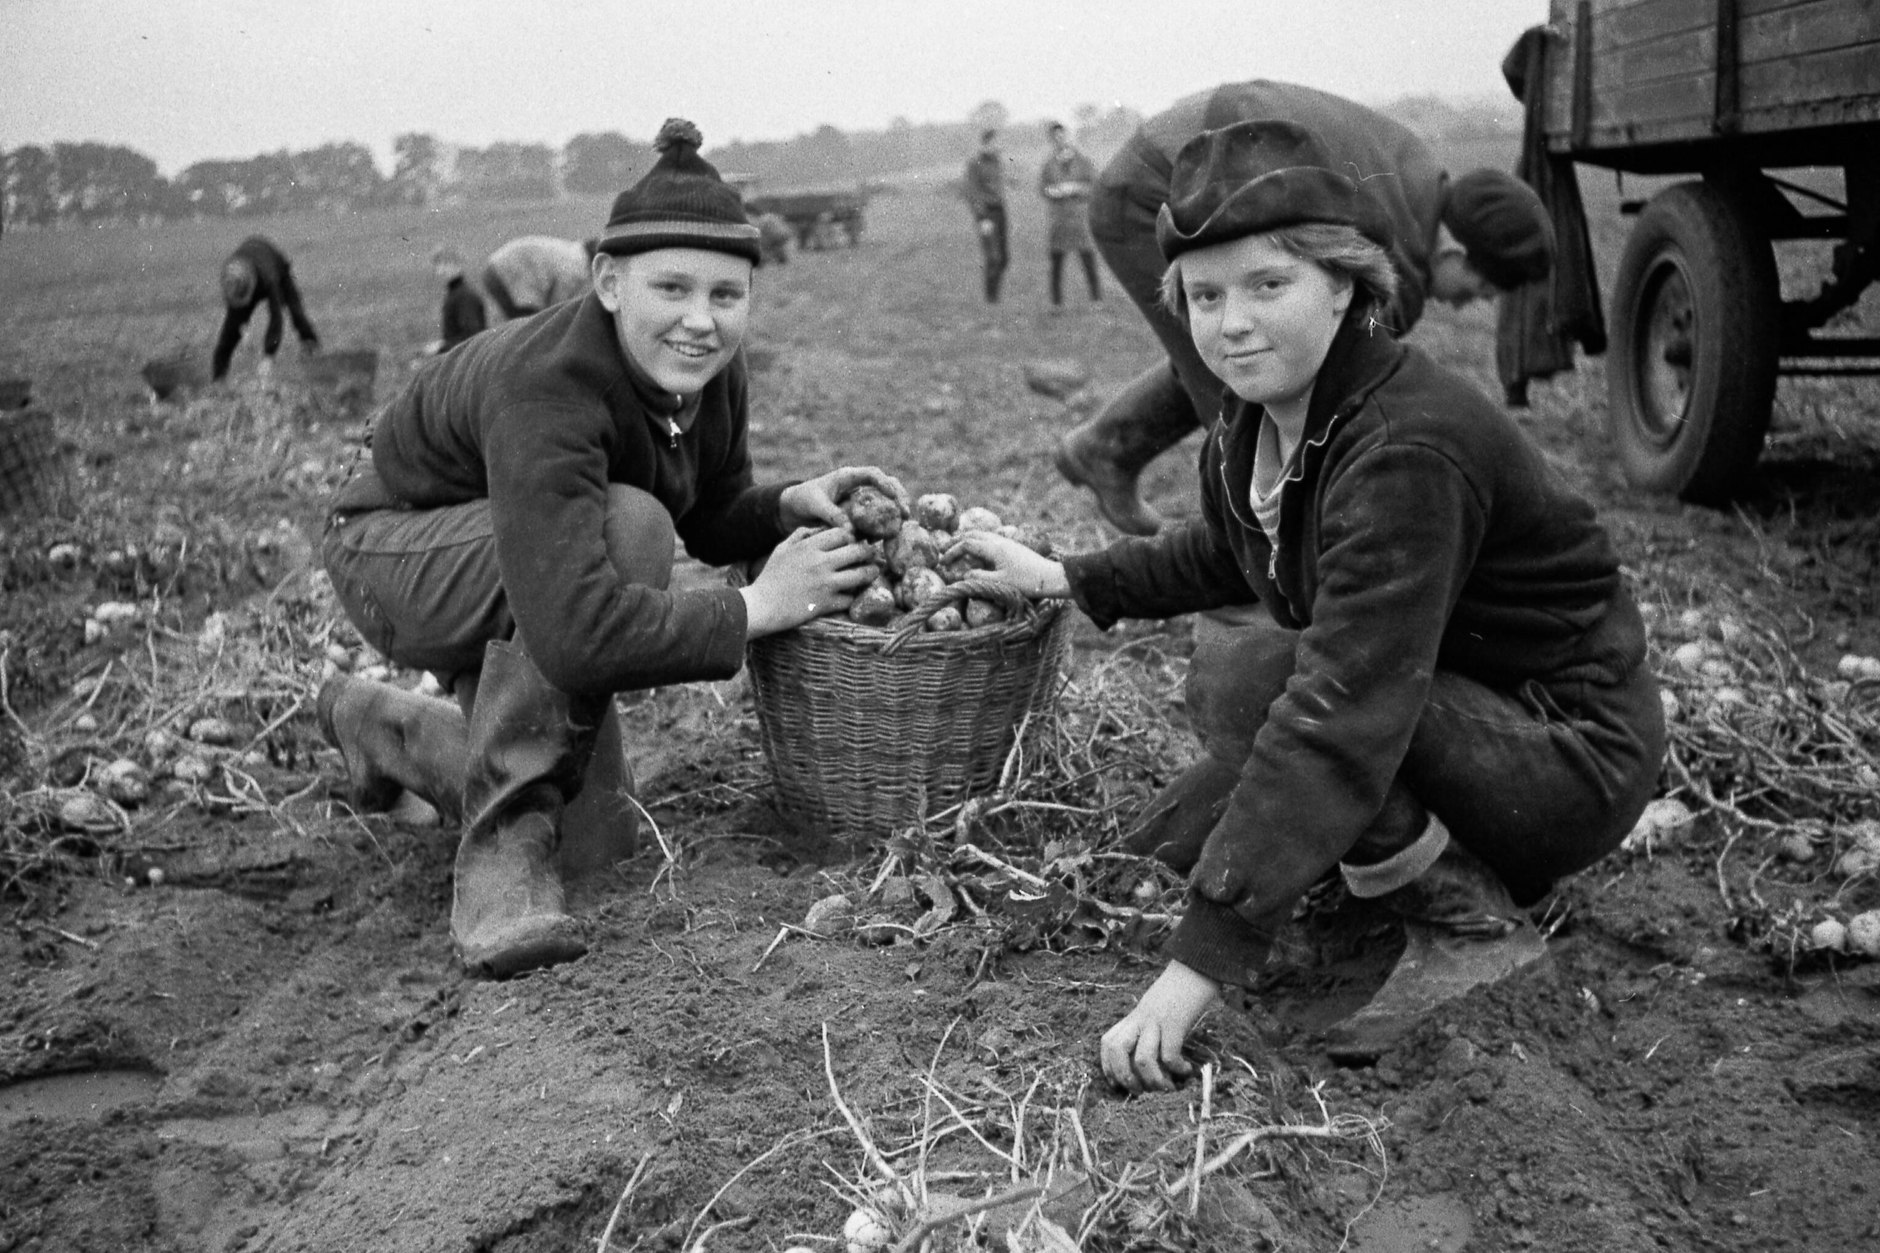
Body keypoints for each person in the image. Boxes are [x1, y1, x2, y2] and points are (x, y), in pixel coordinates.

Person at [950, 120, 1664, 1085]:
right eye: (1204, 296)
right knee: (1161, 839)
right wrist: (1070, 576)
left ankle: (1471, 923)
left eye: (1267, 285)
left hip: (1567, 756)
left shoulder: (1406, 448)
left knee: (1251, 679)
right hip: (1466, 714)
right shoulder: (1253, 426)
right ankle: (1406, 864)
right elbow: (1225, 550)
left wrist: (1191, 975)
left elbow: (1346, 705)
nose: (1230, 322)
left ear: (1346, 285)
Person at [316, 119, 900, 979]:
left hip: (518, 553)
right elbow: (577, 636)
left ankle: (382, 724)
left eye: (726, 296)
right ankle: (498, 863)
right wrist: (761, 606)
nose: (701, 321)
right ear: (608, 282)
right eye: (671, 288)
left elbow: (707, 515)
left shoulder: (705, 367)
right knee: (629, 525)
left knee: (599, 846)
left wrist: (782, 505)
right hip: (391, 551)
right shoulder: (549, 381)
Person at [1055, 79, 1556, 535]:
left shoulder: (1414, 180)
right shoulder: (1392, 244)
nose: (1473, 303)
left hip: (1167, 173)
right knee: (1252, 370)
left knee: (1251, 347)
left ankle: (1107, 450)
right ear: (1456, 249)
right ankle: (1251, 561)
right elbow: (1332, 386)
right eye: (1482, 286)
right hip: (1151, 195)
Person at [212, 235, 321, 381]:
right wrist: (243, 329)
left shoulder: (269, 278)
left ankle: (310, 343)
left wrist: (268, 356)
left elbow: (276, 317)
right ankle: (218, 378)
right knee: (230, 331)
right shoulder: (231, 276)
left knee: (296, 311)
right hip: (250, 268)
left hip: (276, 266)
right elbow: (233, 311)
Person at [1039, 121, 1102, 310]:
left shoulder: (1083, 161)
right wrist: (1053, 191)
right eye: (1055, 137)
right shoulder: (1048, 165)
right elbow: (1042, 188)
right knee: (1056, 261)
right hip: (1058, 219)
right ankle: (1056, 303)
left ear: (1067, 136)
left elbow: (1094, 186)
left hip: (1079, 218)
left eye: (1062, 135)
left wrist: (1076, 188)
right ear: (1051, 140)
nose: (1060, 140)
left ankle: (1096, 299)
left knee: (1087, 258)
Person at [480, 234, 599, 321]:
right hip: (504, 275)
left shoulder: (572, 251)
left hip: (495, 269)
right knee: (531, 328)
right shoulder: (577, 266)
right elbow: (557, 307)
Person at [962, 129, 1009, 304]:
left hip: (1000, 210)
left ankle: (994, 294)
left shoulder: (998, 161)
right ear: (986, 143)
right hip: (986, 213)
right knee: (992, 257)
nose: (997, 146)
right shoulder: (975, 163)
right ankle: (991, 298)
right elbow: (971, 191)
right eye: (994, 143)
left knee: (1004, 258)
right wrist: (981, 217)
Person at [427, 246, 488, 355]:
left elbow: (473, 336)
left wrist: (442, 347)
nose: (442, 270)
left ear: (459, 265)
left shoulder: (464, 296)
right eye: (439, 265)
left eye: (447, 264)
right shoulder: (454, 294)